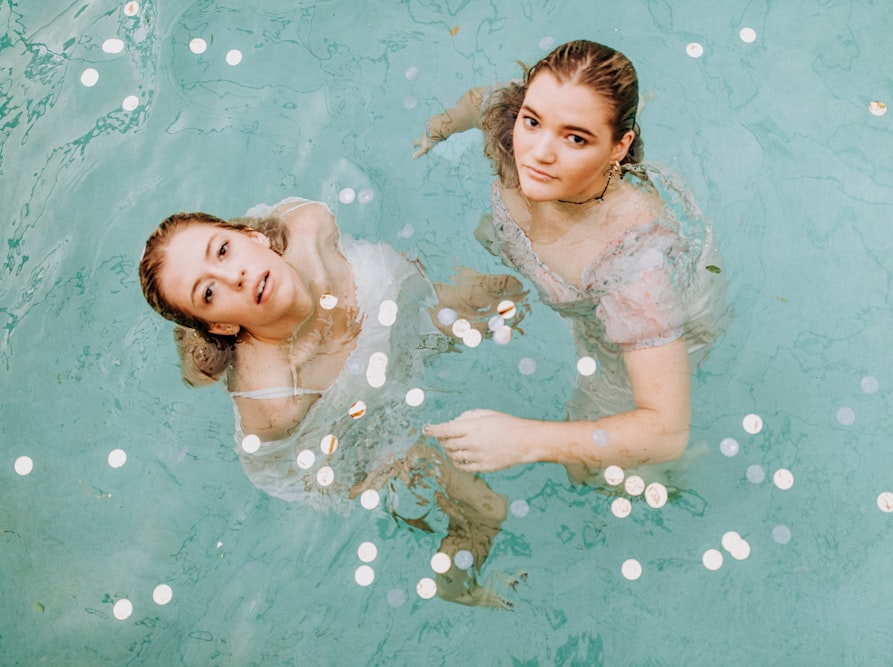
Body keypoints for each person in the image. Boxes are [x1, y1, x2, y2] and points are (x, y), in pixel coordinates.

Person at [139, 197, 527, 608]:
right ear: (221, 325)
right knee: (486, 509)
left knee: (511, 295)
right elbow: (324, 461)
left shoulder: (310, 225)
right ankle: (455, 586)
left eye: (222, 250)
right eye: (209, 291)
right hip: (346, 432)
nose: (233, 275)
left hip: (403, 318)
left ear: (252, 235)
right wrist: (377, 473)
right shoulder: (275, 400)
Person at [414, 40, 729, 485]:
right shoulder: (510, 131)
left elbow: (666, 430)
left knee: (590, 471)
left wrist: (526, 439)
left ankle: (674, 481)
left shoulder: (632, 264)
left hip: (639, 326)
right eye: (533, 121)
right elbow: (476, 104)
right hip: (571, 283)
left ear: (619, 147)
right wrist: (437, 130)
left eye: (575, 137)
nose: (539, 152)